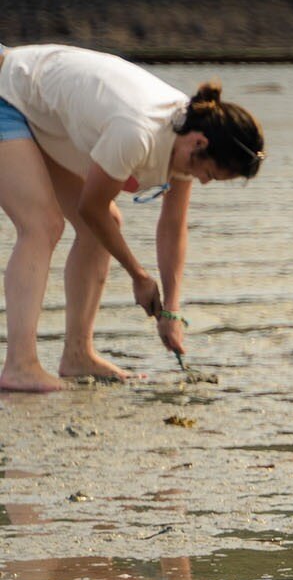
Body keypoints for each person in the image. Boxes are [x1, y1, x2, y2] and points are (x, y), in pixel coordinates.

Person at [0, 45, 264, 392]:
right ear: (200, 143)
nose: (202, 181)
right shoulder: (137, 132)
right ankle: (20, 365)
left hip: (43, 113)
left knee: (105, 226)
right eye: (209, 174)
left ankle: (78, 354)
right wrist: (138, 276)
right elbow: (90, 208)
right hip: (9, 90)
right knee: (42, 225)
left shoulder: (188, 136)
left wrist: (171, 310)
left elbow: (173, 228)